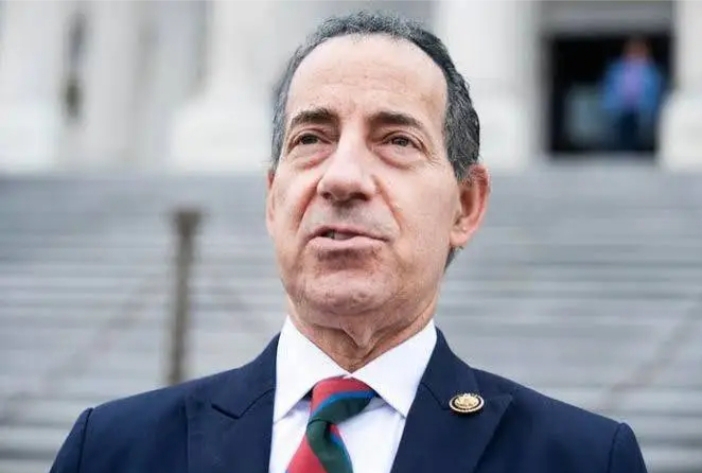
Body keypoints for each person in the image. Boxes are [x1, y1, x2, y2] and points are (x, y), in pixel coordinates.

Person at [50, 12, 648, 473]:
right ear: (273, 198)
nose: (341, 178)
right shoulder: (109, 451)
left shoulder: (584, 460)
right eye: (311, 138)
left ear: (465, 205)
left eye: (397, 141)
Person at [601, 37, 665, 152]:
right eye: (633, 51)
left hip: (642, 109)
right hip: (621, 108)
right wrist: (610, 104)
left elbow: (655, 90)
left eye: (639, 51)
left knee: (640, 133)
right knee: (622, 131)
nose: (635, 55)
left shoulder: (651, 71)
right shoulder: (617, 69)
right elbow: (610, 87)